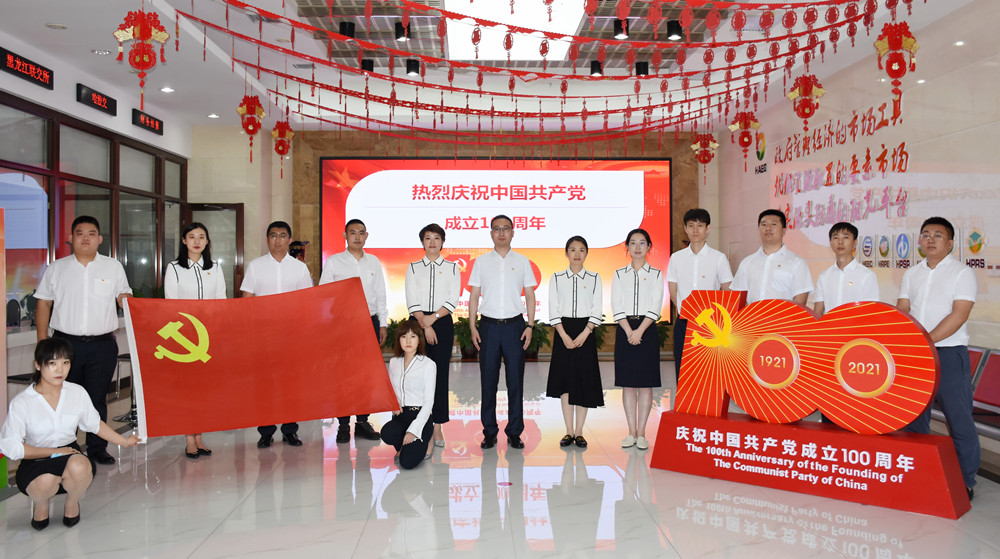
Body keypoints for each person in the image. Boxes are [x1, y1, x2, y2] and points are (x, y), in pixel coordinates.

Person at [0, 339, 139, 530]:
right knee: (46, 481)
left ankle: (72, 502)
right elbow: (11, 447)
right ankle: (41, 505)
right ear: (38, 365)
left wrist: (124, 441)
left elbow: (94, 424)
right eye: (52, 363)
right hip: (36, 457)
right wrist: (53, 452)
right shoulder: (23, 402)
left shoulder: (76, 392)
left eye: (65, 362)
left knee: (81, 466)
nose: (60, 369)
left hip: (69, 453)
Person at [34, 215, 132, 466]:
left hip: (102, 345)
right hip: (65, 345)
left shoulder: (113, 267)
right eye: (80, 233)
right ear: (71, 238)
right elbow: (44, 304)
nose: (86, 238)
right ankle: (66, 448)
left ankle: (97, 448)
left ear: (99, 239)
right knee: (63, 398)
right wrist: (42, 342)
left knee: (97, 398)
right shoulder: (56, 268)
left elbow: (125, 298)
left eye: (91, 234)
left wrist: (127, 301)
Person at [899, 217, 980, 501]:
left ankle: (965, 480)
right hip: (916, 356)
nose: (930, 239)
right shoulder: (912, 273)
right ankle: (918, 473)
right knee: (913, 419)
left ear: (950, 243)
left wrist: (925, 340)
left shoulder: (962, 273)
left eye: (937, 235)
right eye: (925, 235)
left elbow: (959, 315)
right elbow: (903, 309)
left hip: (949, 355)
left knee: (959, 421)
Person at [241, 220, 314, 448]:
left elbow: (307, 301)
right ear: (267, 239)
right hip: (264, 335)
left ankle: (290, 430)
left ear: (289, 240)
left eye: (283, 236)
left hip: (292, 334)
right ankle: (266, 431)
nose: (278, 240)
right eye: (273, 235)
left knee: (291, 384)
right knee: (265, 384)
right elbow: (246, 300)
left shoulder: (299, 268)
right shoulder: (255, 266)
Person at [468, 215, 537, 450]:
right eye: (496, 229)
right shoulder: (481, 262)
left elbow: (530, 295)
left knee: (515, 382)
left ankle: (515, 432)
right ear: (491, 233)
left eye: (505, 228)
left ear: (513, 232)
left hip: (514, 327)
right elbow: (474, 296)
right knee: (488, 382)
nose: (501, 233)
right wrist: (472, 326)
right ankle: (489, 432)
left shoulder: (523, 261)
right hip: (488, 327)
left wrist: (530, 326)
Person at [319, 218, 387, 443]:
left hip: (369, 321)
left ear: (366, 236)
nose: (357, 237)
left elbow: (380, 294)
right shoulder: (334, 262)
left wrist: (383, 323)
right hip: (342, 325)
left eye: (361, 233)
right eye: (353, 232)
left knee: (365, 375)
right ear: (345, 235)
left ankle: (362, 422)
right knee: (343, 376)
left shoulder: (374, 262)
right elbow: (324, 295)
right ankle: (342, 424)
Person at [165, 222, 227, 459]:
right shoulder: (174, 268)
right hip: (185, 338)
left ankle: (200, 436)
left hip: (209, 336)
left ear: (207, 241)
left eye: (202, 237)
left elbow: (221, 301)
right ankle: (189, 438)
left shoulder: (215, 268)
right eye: (192, 237)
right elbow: (171, 304)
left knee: (204, 390)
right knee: (187, 390)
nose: (197, 241)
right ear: (184, 241)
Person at [404, 223, 461, 449]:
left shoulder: (452, 268)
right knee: (417, 376)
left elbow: (452, 300)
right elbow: (411, 299)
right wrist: (424, 324)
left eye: (437, 238)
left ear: (442, 242)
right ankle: (420, 424)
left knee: (439, 375)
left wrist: (433, 319)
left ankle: (437, 425)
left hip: (442, 323)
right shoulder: (413, 267)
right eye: (428, 238)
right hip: (417, 324)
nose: (432, 242)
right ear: (422, 242)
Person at [547, 236, 604, 448]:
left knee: (583, 382)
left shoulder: (595, 278)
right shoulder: (557, 277)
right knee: (565, 383)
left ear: (586, 253)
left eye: (581, 250)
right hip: (563, 331)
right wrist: (563, 335)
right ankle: (568, 431)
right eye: (573, 249)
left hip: (585, 332)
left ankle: (579, 432)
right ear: (567, 253)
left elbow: (597, 309)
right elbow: (553, 308)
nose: (577, 254)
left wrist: (586, 332)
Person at [611, 228, 664, 451]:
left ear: (649, 247)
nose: (637, 247)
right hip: (624, 329)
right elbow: (616, 305)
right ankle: (631, 432)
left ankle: (642, 433)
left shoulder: (656, 274)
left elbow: (655, 305)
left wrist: (640, 331)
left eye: (642, 243)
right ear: (627, 247)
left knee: (645, 385)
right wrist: (629, 331)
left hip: (647, 330)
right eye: (633, 243)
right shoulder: (619, 274)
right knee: (628, 385)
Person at [666, 209, 733, 383]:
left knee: (709, 372)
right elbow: (673, 290)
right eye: (691, 226)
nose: (695, 230)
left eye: (700, 225)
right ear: (685, 228)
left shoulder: (718, 258)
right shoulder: (676, 258)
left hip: (711, 326)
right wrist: (684, 310)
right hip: (684, 322)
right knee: (683, 371)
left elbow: (727, 290)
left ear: (708, 228)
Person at [380, 318, 436, 469]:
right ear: (399, 340)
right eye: (404, 336)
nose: (408, 341)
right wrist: (393, 405)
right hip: (401, 416)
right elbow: (391, 391)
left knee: (407, 463)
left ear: (419, 339)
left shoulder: (428, 364)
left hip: (420, 417)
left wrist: (413, 431)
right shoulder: (394, 363)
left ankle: (426, 438)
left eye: (413, 336)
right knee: (386, 433)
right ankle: (402, 445)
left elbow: (429, 402)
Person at [730, 209, 813, 305]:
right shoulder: (746, 263)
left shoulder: (797, 263)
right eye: (764, 224)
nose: (768, 228)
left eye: (773, 224)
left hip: (783, 315)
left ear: (783, 231)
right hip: (752, 315)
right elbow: (738, 299)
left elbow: (800, 303)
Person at [813, 222, 879, 317]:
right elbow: (818, 312)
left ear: (855, 242)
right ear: (830, 242)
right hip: (829, 326)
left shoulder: (866, 275)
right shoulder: (824, 276)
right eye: (836, 237)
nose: (840, 242)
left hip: (855, 326)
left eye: (846, 237)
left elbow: (869, 312)